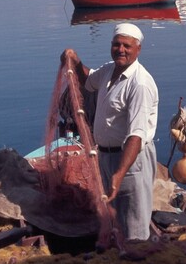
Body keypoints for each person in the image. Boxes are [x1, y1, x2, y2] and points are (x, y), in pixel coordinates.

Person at [61, 23, 158, 241]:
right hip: (106, 156)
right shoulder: (109, 71)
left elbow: (137, 135)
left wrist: (119, 173)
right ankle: (121, 254)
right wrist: (75, 61)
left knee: (134, 223)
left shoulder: (140, 84)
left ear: (138, 49)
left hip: (130, 161)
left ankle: (138, 262)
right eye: (116, 44)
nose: (120, 50)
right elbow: (88, 80)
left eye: (126, 46)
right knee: (115, 216)